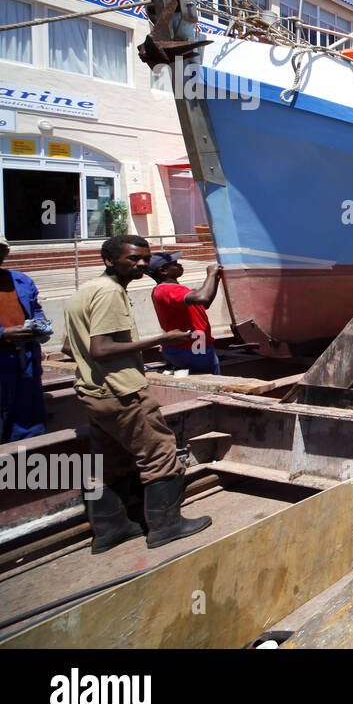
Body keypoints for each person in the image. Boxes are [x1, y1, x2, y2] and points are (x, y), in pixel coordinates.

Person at [64, 235, 212, 552]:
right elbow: (101, 348)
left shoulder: (85, 291)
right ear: (109, 260)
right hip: (121, 391)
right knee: (160, 453)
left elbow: (69, 346)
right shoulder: (110, 293)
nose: (141, 264)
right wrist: (160, 339)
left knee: (109, 462)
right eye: (132, 258)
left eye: (144, 258)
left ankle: (111, 530)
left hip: (92, 392)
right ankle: (166, 526)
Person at [0, 235, 52, 442]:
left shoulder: (20, 280)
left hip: (25, 357)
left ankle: (26, 464)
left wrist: (40, 326)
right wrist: (3, 333)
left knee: (28, 415)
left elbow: (36, 310)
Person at [147, 252, 223, 374]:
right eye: (174, 264)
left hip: (189, 347)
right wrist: (211, 274)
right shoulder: (168, 290)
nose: (179, 265)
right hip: (193, 347)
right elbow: (203, 297)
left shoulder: (170, 289)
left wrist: (215, 280)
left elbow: (204, 304)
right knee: (208, 379)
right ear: (163, 271)